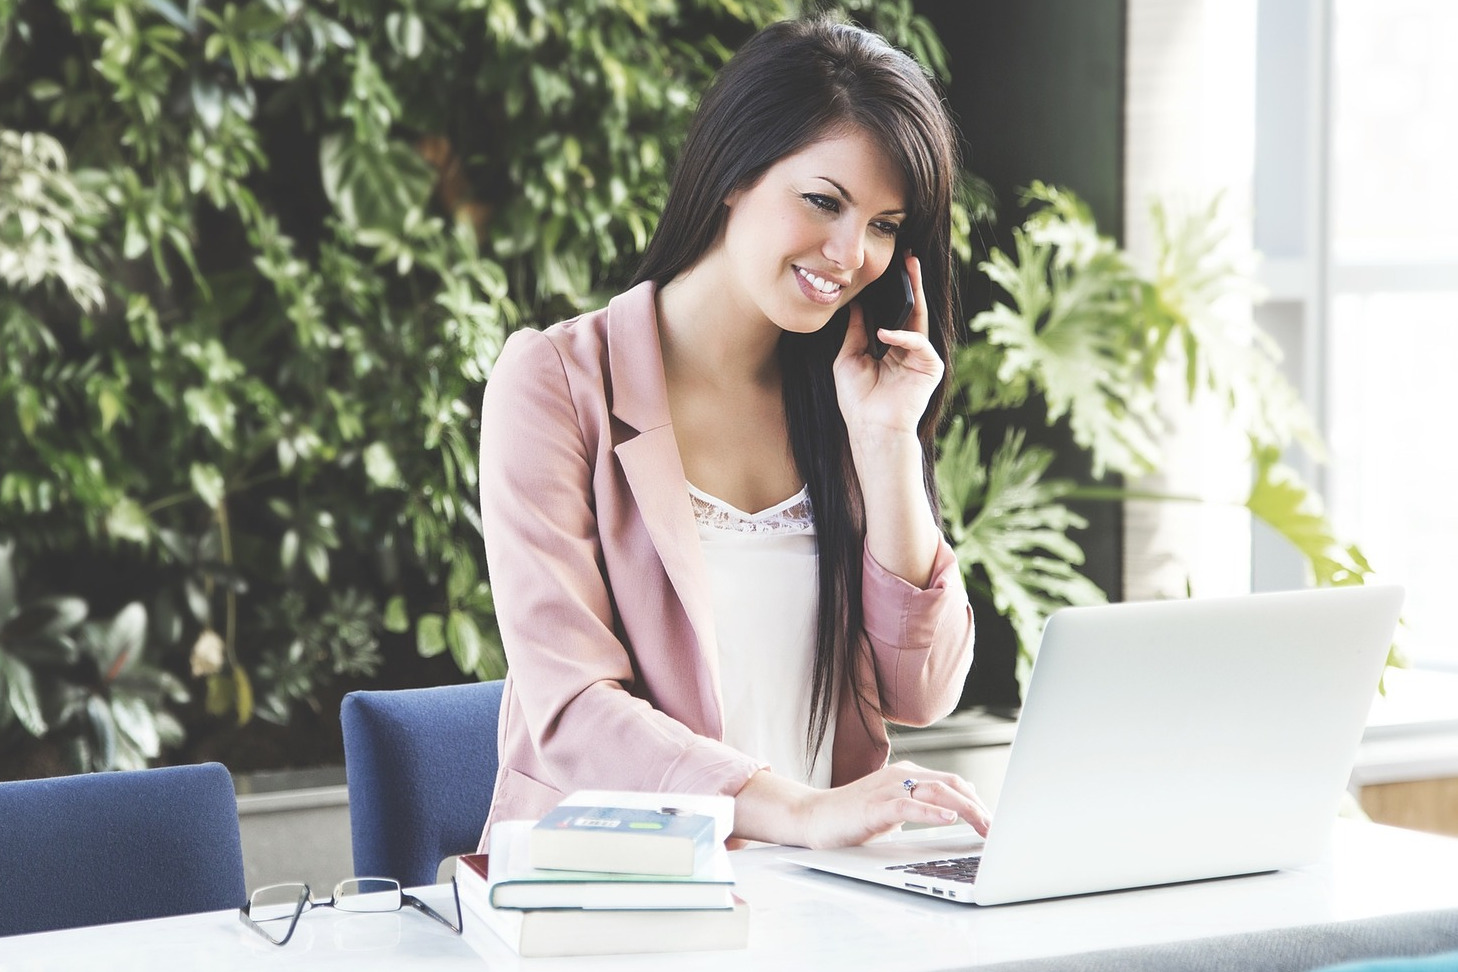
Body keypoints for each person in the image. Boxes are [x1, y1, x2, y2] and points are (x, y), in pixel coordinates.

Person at [476, 16, 988, 851]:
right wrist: (799, 810)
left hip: (821, 898)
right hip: (620, 891)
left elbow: (922, 691)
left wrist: (889, 445)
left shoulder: (849, 396)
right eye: (824, 201)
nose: (852, 252)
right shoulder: (557, 383)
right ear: (731, 175)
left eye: (887, 225)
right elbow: (570, 709)